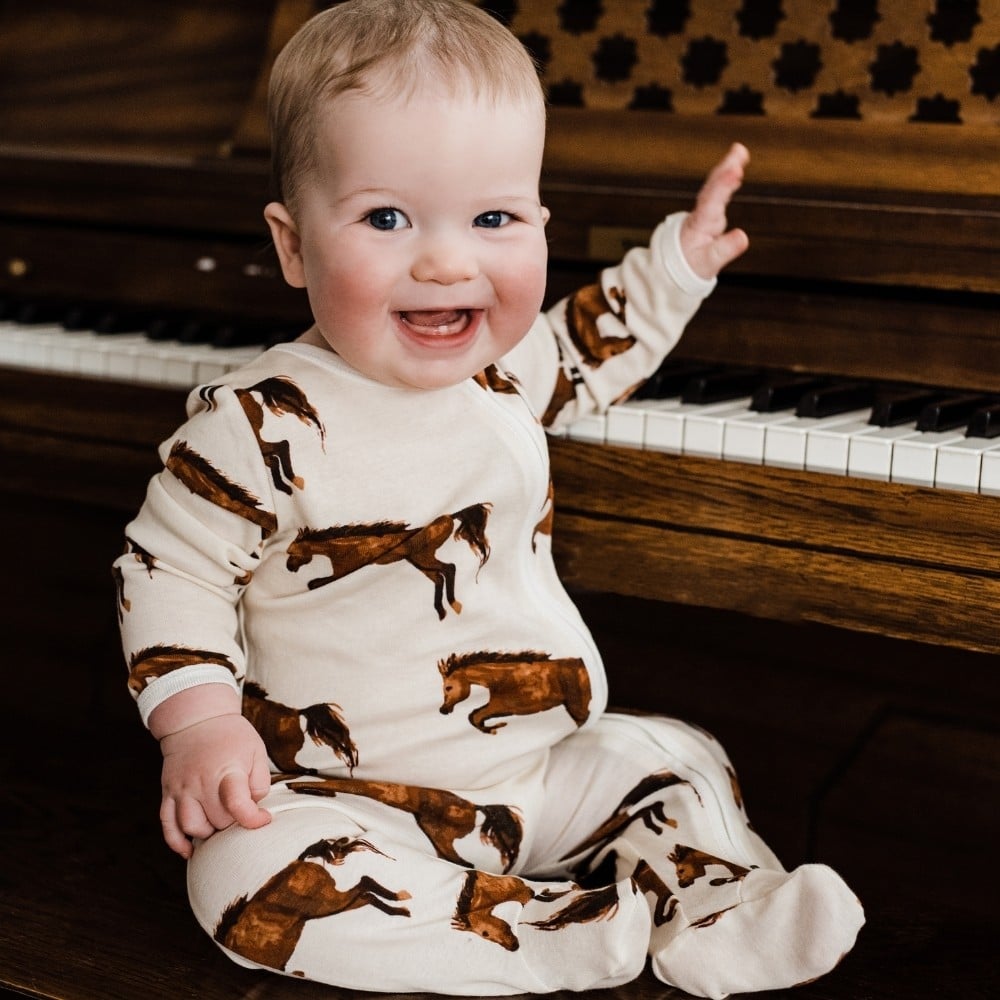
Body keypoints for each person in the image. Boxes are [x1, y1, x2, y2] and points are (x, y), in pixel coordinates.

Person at [114, 1, 864, 995]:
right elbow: (170, 567)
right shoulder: (260, 424)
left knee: (669, 756)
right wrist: (199, 722)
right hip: (347, 797)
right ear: (293, 247)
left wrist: (675, 265)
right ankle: (559, 931)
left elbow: (587, 348)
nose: (448, 260)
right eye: (387, 218)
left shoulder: (502, 370)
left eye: (494, 219)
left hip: (537, 779)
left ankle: (718, 905)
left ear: (538, 223)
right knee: (239, 880)